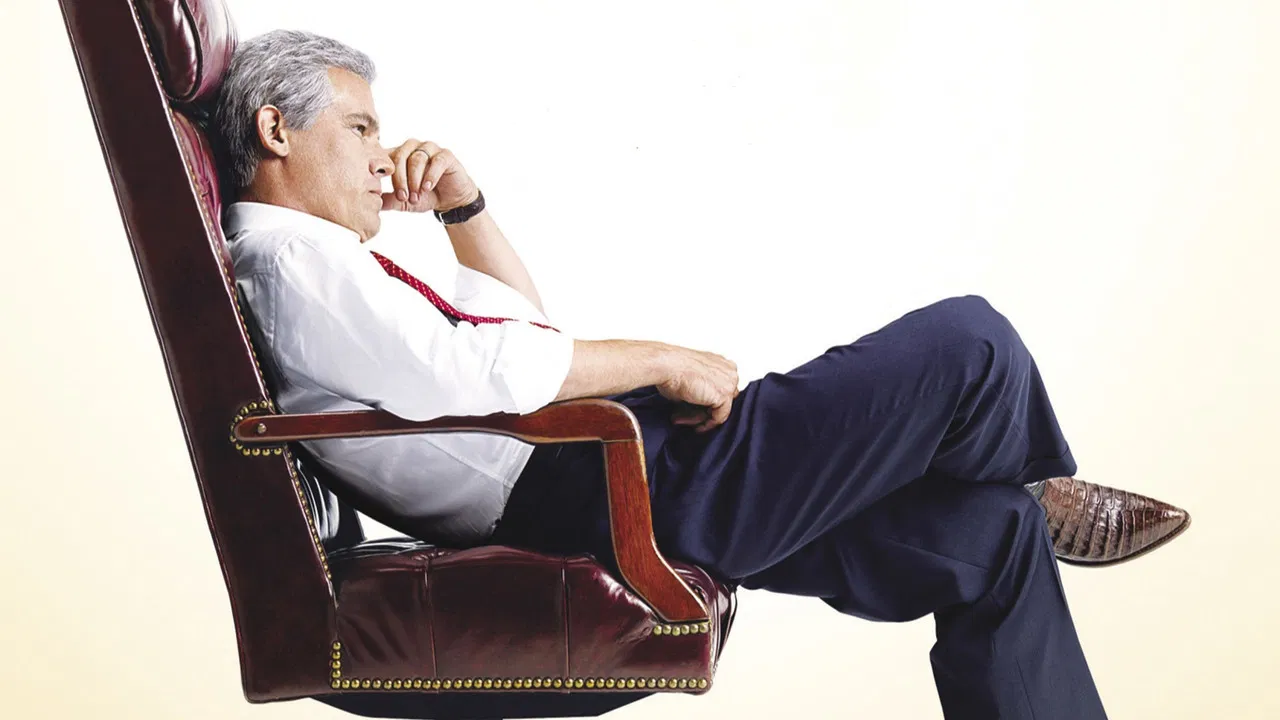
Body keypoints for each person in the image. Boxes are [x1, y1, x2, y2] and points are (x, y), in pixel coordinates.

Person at [217, 30, 1189, 719]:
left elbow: (523, 335)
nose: (381, 153)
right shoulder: (293, 257)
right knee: (969, 342)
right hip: (602, 483)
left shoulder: (317, 263)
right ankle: (1039, 480)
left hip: (603, 467)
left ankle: (1024, 501)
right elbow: (478, 373)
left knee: (990, 537)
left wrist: (463, 210)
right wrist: (660, 358)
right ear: (276, 130)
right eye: (359, 128)